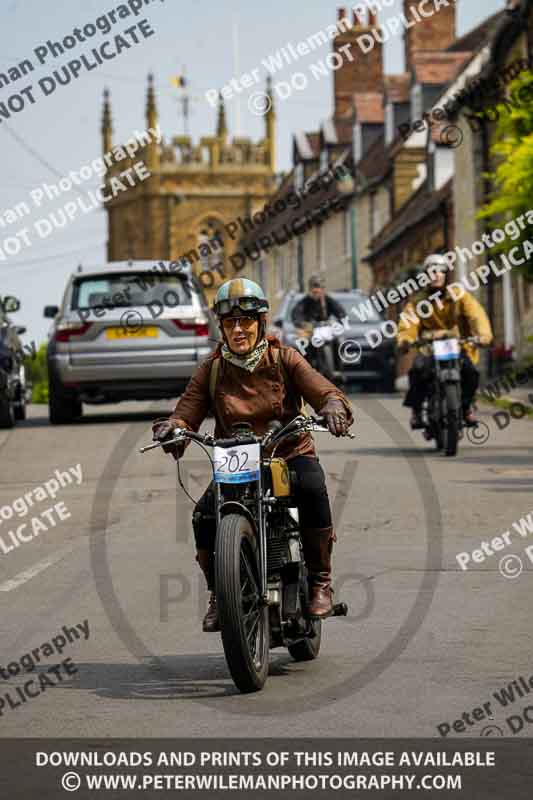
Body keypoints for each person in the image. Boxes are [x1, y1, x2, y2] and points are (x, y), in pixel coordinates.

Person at [152, 278, 354, 632]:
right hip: (238, 461)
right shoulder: (212, 369)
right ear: (222, 328)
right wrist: (174, 428)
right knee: (203, 516)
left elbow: (321, 389)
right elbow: (187, 411)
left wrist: (333, 405)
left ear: (260, 323)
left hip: (289, 452)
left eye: (245, 321)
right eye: (230, 323)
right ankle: (220, 593)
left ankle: (321, 581)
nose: (238, 330)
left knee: (312, 487)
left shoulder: (285, 358)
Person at [397, 254, 493, 429]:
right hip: (429, 347)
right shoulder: (418, 300)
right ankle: (417, 412)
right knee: (418, 370)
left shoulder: (460, 295)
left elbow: (477, 316)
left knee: (470, 372)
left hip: (458, 344)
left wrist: (483, 335)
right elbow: (408, 324)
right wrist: (405, 339)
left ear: (447, 275)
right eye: (431, 271)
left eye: (440, 271)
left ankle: (465, 408)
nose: (436, 275)